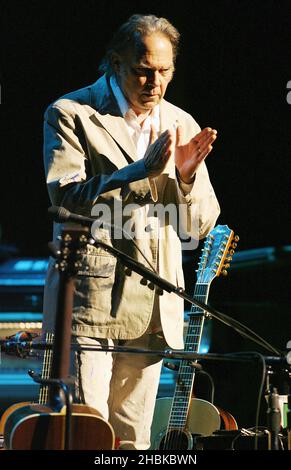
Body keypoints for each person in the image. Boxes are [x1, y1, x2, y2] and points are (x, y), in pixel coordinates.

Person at [42, 14, 220, 449]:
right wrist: (139, 173)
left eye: (164, 71)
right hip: (90, 302)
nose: (154, 82)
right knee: (86, 434)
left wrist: (185, 180)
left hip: (156, 304)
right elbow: (65, 201)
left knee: (135, 441)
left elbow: (199, 225)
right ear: (115, 63)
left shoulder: (182, 121)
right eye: (143, 69)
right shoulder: (72, 113)